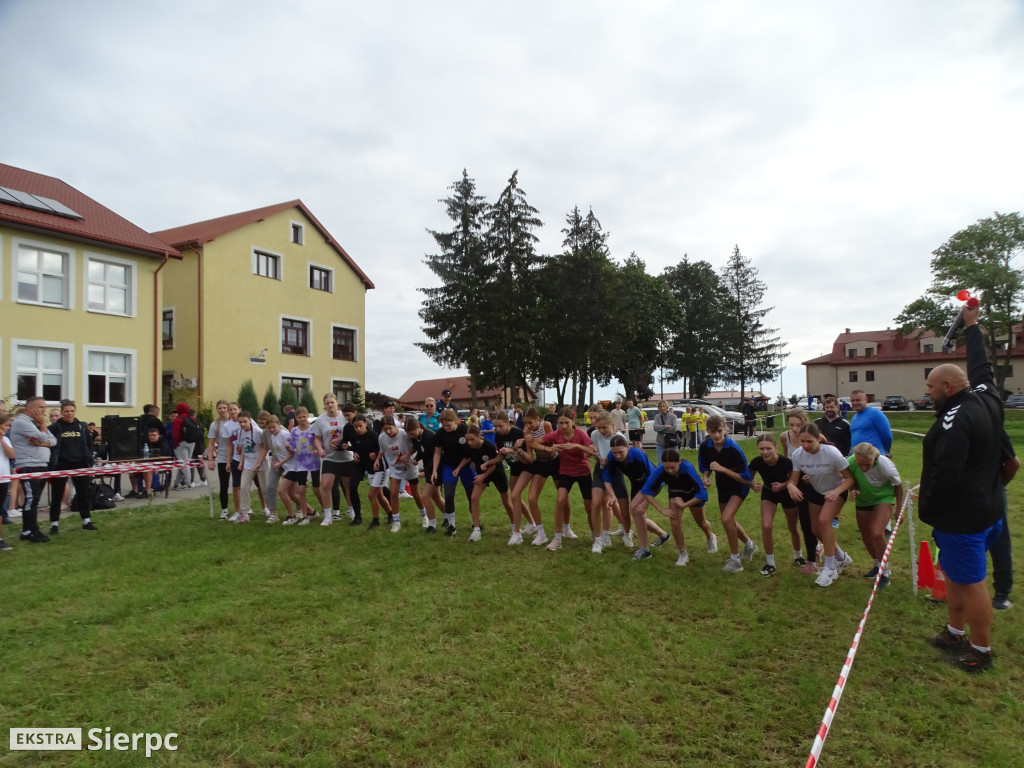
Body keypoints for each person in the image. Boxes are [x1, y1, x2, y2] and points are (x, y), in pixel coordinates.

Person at [921, 304, 1004, 673]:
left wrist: (929, 508)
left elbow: (947, 471)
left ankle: (981, 649)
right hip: (988, 508)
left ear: (948, 387)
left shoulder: (955, 419)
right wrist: (972, 327)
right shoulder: (986, 396)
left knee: (971, 583)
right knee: (955, 575)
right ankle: (955, 632)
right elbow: (982, 368)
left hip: (963, 518)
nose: (928, 393)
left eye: (931, 387)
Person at [787, 423, 854, 588]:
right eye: (802, 441)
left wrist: (837, 491)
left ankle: (830, 567)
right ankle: (841, 557)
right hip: (817, 491)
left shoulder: (831, 453)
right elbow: (793, 480)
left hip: (836, 491)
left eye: (809, 441)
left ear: (818, 439)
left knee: (824, 521)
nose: (805, 445)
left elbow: (850, 479)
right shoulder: (797, 455)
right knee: (816, 530)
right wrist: (791, 486)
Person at [699, 415, 757, 572]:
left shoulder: (733, 449)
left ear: (726, 429)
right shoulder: (705, 446)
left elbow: (746, 478)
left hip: (739, 486)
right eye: (713, 432)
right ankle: (749, 545)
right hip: (723, 485)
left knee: (726, 518)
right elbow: (706, 466)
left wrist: (723, 469)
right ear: (708, 431)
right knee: (729, 520)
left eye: (719, 431)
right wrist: (706, 476)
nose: (717, 435)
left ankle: (735, 561)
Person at [601, 434, 680, 551]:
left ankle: (644, 549)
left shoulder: (637, 454)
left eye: (620, 452)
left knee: (635, 508)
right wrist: (612, 496)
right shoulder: (612, 457)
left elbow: (653, 478)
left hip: (654, 482)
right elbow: (607, 479)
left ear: (627, 447)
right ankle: (663, 535)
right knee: (637, 513)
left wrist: (646, 500)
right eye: (614, 453)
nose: (617, 456)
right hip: (636, 484)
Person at [631, 448, 710, 564]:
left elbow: (703, 494)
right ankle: (683, 554)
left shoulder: (687, 467)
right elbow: (646, 491)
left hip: (693, 495)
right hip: (676, 493)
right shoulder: (661, 470)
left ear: (679, 461)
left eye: (672, 467)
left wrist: (684, 505)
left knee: (702, 523)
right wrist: (661, 509)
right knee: (674, 523)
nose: (669, 471)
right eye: (666, 467)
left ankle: (710, 537)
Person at [846, 442, 904, 589]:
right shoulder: (851, 462)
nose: (864, 468)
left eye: (868, 464)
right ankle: (877, 565)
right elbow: (849, 479)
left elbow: (898, 485)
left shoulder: (885, 465)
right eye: (860, 464)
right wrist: (852, 489)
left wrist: (898, 509)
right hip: (863, 500)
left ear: (875, 458)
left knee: (877, 533)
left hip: (883, 498)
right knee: (866, 536)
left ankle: (885, 572)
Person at [748, 433, 802, 576]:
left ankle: (798, 556)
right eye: (761, 449)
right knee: (766, 526)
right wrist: (752, 485)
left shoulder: (786, 462)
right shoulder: (756, 462)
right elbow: (748, 477)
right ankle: (770, 563)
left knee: (793, 527)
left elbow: (794, 479)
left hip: (787, 494)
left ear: (776, 448)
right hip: (768, 492)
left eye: (768, 448)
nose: (765, 452)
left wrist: (783, 485)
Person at [540, 407, 592, 551]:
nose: (563, 426)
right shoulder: (556, 434)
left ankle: (596, 537)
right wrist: (549, 449)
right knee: (560, 500)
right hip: (566, 472)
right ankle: (557, 539)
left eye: (566, 423)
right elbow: (534, 442)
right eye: (560, 423)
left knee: (589, 507)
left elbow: (592, 450)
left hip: (583, 472)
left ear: (573, 421)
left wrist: (575, 445)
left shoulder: (581, 434)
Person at [454, 423, 514, 541]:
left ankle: (514, 527)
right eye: (467, 440)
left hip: (496, 472)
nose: (470, 442)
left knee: (506, 502)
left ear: (479, 436)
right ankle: (476, 530)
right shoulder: (468, 447)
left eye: (472, 439)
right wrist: (458, 468)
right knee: (474, 498)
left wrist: (483, 476)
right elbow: (467, 457)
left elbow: (493, 465)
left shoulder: (488, 446)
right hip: (482, 474)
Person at [47, 399, 98, 534]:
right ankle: (54, 524)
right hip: (61, 464)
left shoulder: (81, 426)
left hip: (80, 463)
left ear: (75, 411)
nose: (69, 414)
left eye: (72, 411)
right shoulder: (55, 427)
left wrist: (89, 457)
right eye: (66, 411)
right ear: (62, 412)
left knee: (83, 493)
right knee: (57, 495)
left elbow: (88, 444)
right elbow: (51, 446)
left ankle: (86, 520)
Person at [10, 395, 56, 543]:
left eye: (44, 407)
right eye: (40, 407)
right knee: (31, 499)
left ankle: (26, 530)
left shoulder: (36, 422)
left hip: (41, 463)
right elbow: (43, 437)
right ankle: (34, 532)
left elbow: (53, 440)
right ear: (30, 408)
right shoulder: (22, 422)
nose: (44, 410)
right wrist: (43, 426)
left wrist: (42, 443)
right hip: (29, 464)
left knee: (33, 499)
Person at [432, 407, 473, 536]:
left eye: (448, 425)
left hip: (466, 465)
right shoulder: (440, 433)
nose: (446, 428)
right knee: (449, 495)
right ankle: (451, 525)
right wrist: (434, 470)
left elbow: (472, 450)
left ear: (456, 421)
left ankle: (475, 522)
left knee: (471, 495)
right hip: (449, 466)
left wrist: (461, 467)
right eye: (443, 425)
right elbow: (437, 453)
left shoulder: (464, 430)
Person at [991, 432, 1018, 610]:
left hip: (991, 493)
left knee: (1000, 542)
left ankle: (1003, 593)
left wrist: (1000, 485)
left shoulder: (996, 430)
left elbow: (1013, 464)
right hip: (969, 494)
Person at [313, 393, 349, 527]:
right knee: (326, 485)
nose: (330, 405)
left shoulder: (343, 417)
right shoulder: (320, 420)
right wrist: (320, 448)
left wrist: (347, 444)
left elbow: (352, 432)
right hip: (330, 457)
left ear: (337, 403)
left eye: (332, 402)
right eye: (327, 403)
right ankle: (328, 516)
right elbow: (316, 437)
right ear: (324, 405)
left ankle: (352, 511)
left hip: (346, 457)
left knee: (347, 485)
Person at [206, 400, 240, 519]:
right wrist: (210, 459)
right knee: (224, 485)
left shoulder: (236, 421)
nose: (223, 410)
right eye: (220, 408)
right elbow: (211, 443)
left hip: (237, 456)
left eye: (225, 408)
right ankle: (224, 510)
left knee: (239, 484)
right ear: (217, 410)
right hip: (222, 457)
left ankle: (242, 508)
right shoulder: (215, 425)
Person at [232, 411, 269, 523]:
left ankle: (272, 511)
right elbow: (244, 447)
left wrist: (258, 463)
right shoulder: (240, 432)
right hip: (248, 463)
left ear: (250, 420)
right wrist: (241, 462)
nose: (243, 424)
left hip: (261, 463)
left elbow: (264, 448)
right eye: (240, 422)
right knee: (243, 486)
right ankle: (245, 513)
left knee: (265, 489)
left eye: (245, 421)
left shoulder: (258, 432)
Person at [848, 390, 892, 456]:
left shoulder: (876, 413)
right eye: (853, 401)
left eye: (858, 400)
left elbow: (887, 436)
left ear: (866, 399)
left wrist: (886, 452)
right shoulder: (854, 417)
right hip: (857, 457)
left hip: (873, 456)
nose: (855, 403)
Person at [0, 414, 17, 550]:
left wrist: (1, 440)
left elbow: (11, 455)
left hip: (3, 479)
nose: (8, 428)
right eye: (6, 425)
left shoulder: (5, 439)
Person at [170, 402, 196, 490]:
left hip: (181, 443)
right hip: (192, 442)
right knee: (185, 462)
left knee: (183, 463)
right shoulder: (192, 418)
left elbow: (175, 434)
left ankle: (188, 482)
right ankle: (177, 482)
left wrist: (175, 444)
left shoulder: (178, 419)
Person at [651, 400, 679, 464]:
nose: (662, 408)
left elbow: (674, 428)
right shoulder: (657, 417)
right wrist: (666, 426)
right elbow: (655, 428)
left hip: (672, 442)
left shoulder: (673, 416)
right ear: (658, 408)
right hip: (660, 443)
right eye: (660, 406)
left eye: (664, 406)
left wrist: (661, 429)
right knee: (661, 463)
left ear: (667, 407)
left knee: (674, 462)